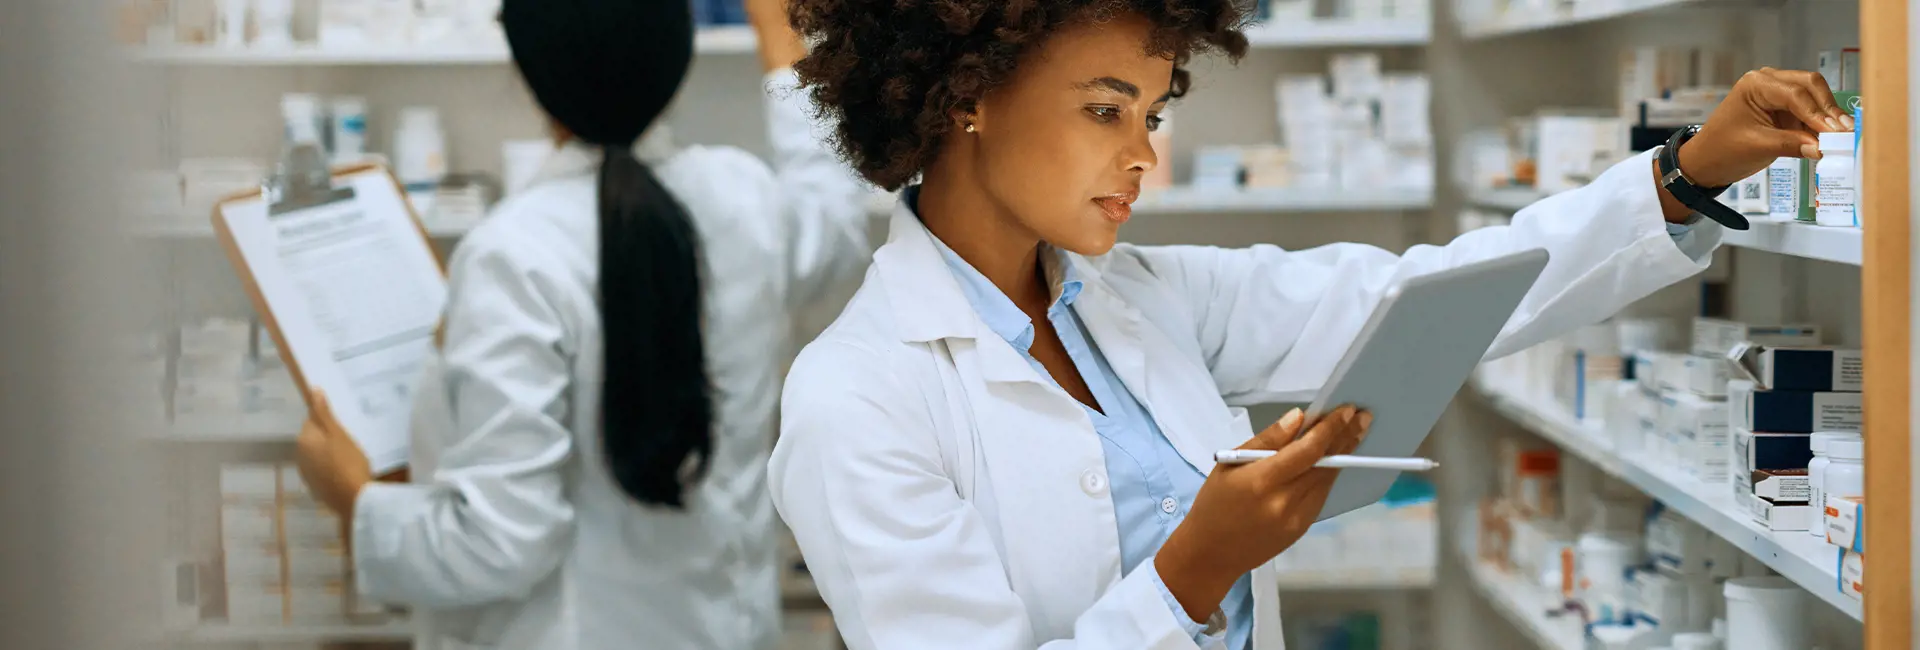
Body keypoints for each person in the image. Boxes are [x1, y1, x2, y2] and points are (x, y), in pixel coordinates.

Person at [766, 1, 1852, 649]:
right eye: (1106, 109)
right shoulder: (856, 397)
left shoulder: (1141, 299)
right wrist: (1195, 567)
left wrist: (1686, 172)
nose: (1144, 154)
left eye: (1152, 113)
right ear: (969, 94)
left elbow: (1437, 291)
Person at [287, 0, 874, 648]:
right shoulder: (745, 200)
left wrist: (354, 500)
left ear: (530, 72)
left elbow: (499, 543)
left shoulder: (516, 253)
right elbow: (836, 225)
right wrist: (781, 44)